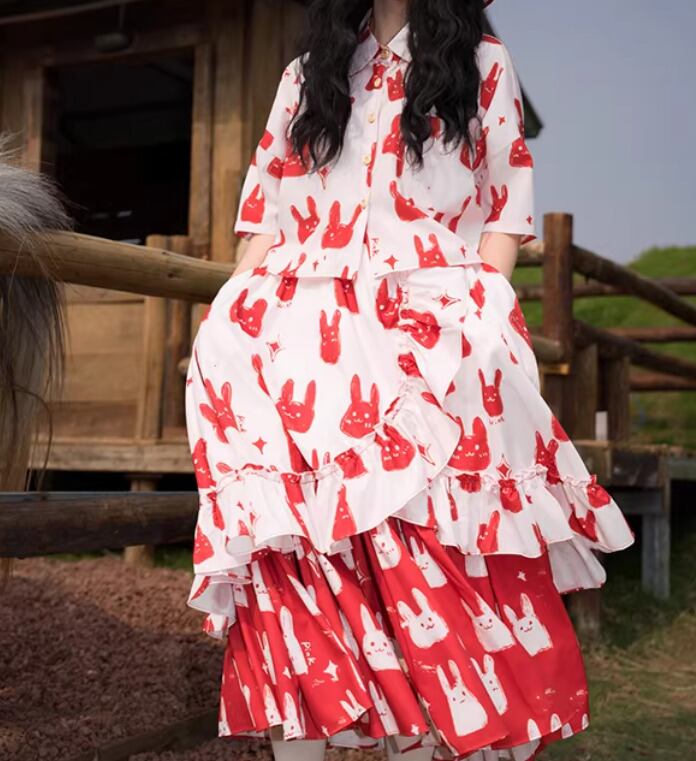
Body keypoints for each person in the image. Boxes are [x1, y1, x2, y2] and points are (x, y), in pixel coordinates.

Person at [184, 1, 635, 759]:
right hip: (301, 327)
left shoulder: (482, 65)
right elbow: (264, 216)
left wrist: (485, 317)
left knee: (426, 537)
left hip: (433, 322)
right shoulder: (306, 76)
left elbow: (505, 208)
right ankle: (314, 715)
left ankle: (429, 728)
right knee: (303, 540)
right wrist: (225, 322)